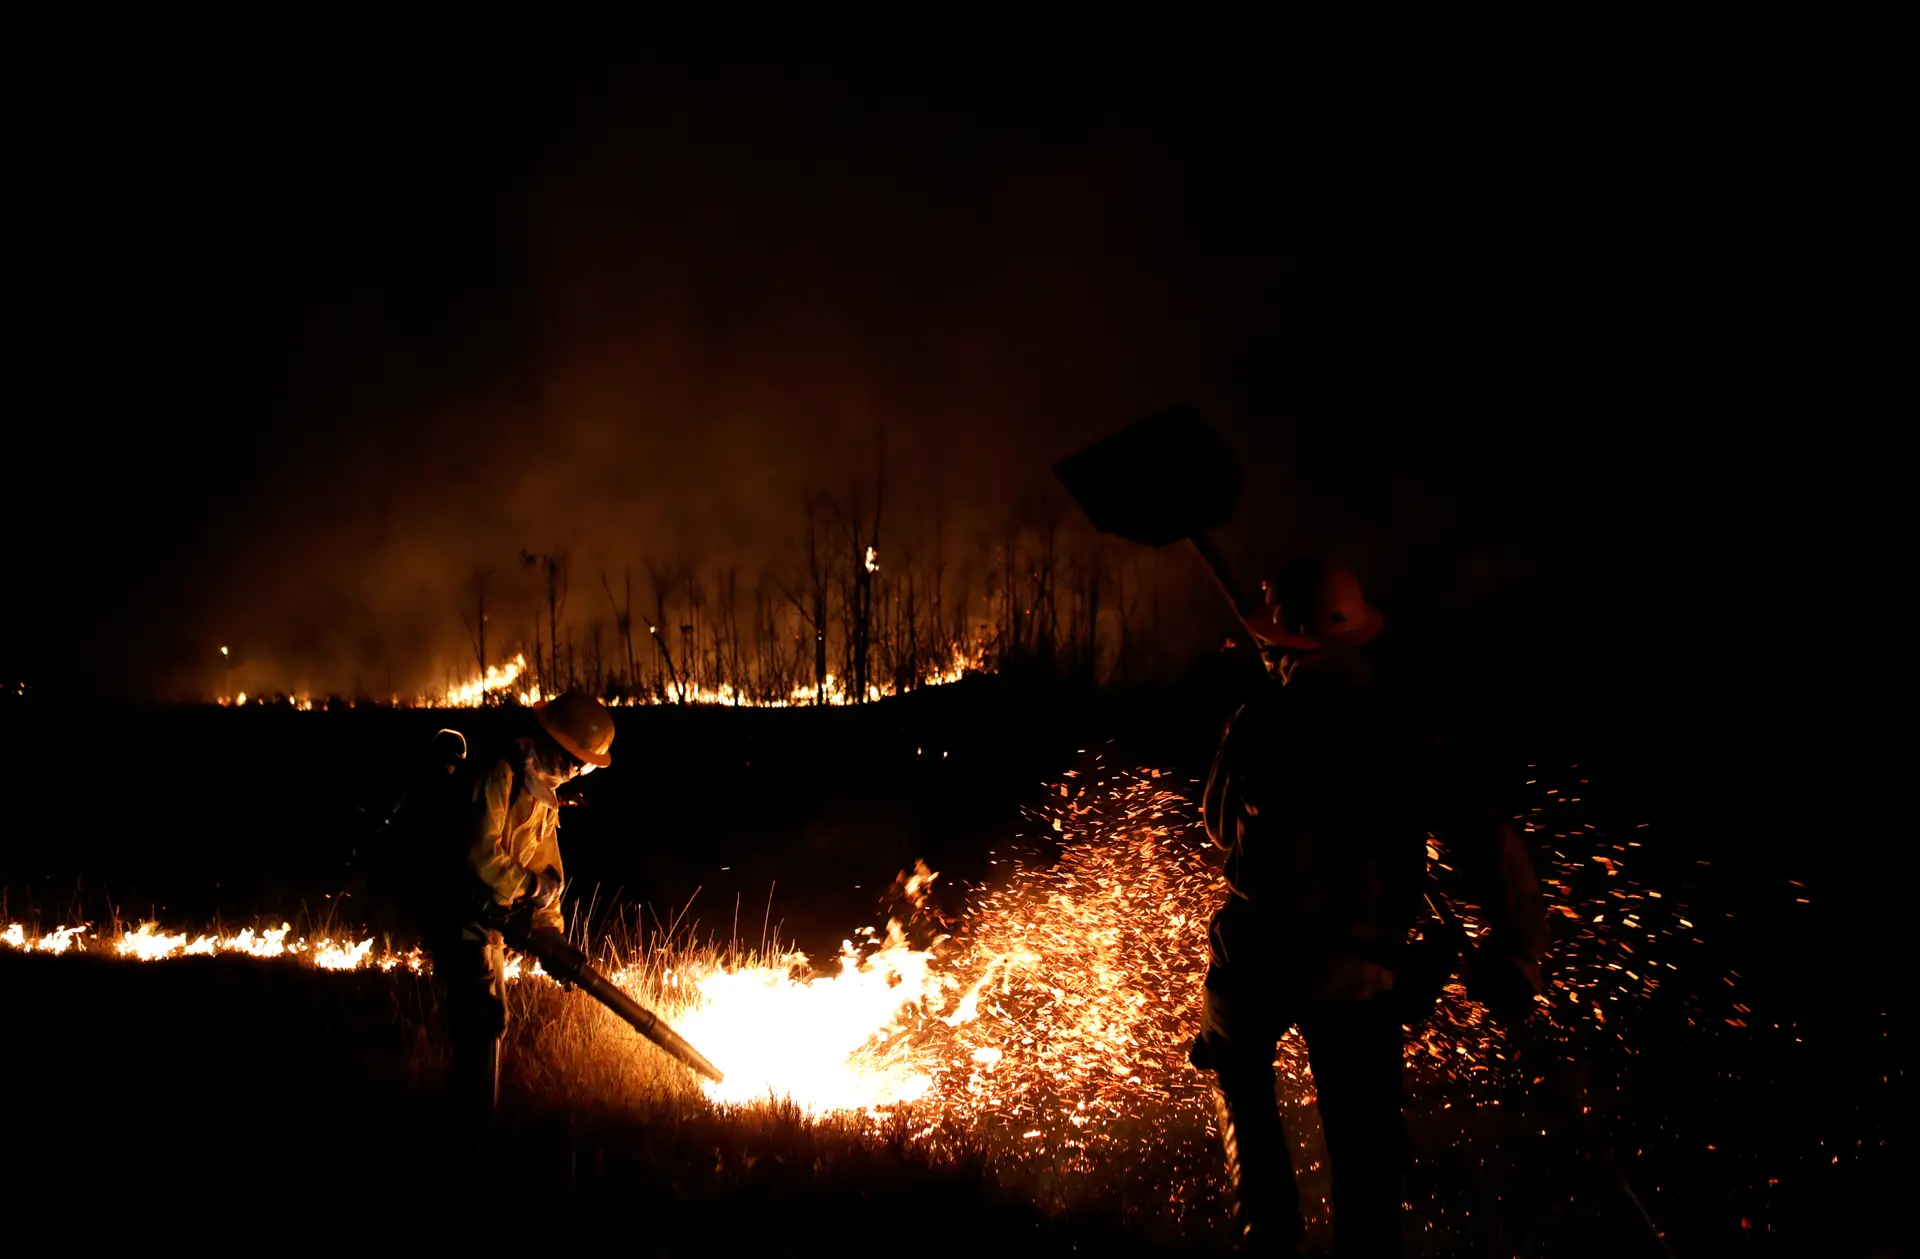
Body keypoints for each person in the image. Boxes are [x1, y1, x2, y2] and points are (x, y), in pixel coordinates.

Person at [1192, 557, 1548, 1257]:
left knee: (1232, 1054)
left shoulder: (1262, 719)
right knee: (1366, 1161)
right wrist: (1519, 955)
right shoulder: (1406, 723)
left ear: (1285, 640)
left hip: (1263, 957)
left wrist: (1269, 722)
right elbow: (1492, 841)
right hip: (1364, 968)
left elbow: (1216, 823)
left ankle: (1265, 1226)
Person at [377, 689, 616, 1133]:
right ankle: (470, 1133)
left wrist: (554, 941)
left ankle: (473, 1121)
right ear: (557, 746)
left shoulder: (542, 793)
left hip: (492, 923)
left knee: (490, 1020)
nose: (579, 773)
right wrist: (527, 888)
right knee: (483, 1019)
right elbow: (480, 856)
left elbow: (547, 879)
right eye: (579, 761)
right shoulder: (499, 773)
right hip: (461, 914)